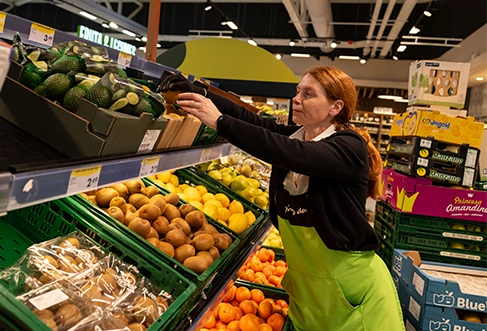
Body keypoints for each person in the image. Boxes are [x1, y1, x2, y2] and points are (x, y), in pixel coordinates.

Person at [158, 66, 405, 331]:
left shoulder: (348, 147)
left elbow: (289, 152)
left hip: (354, 296)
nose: (296, 99)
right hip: (308, 295)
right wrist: (200, 94)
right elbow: (252, 120)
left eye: (309, 94)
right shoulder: (295, 135)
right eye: (298, 91)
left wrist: (219, 121)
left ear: (335, 107)